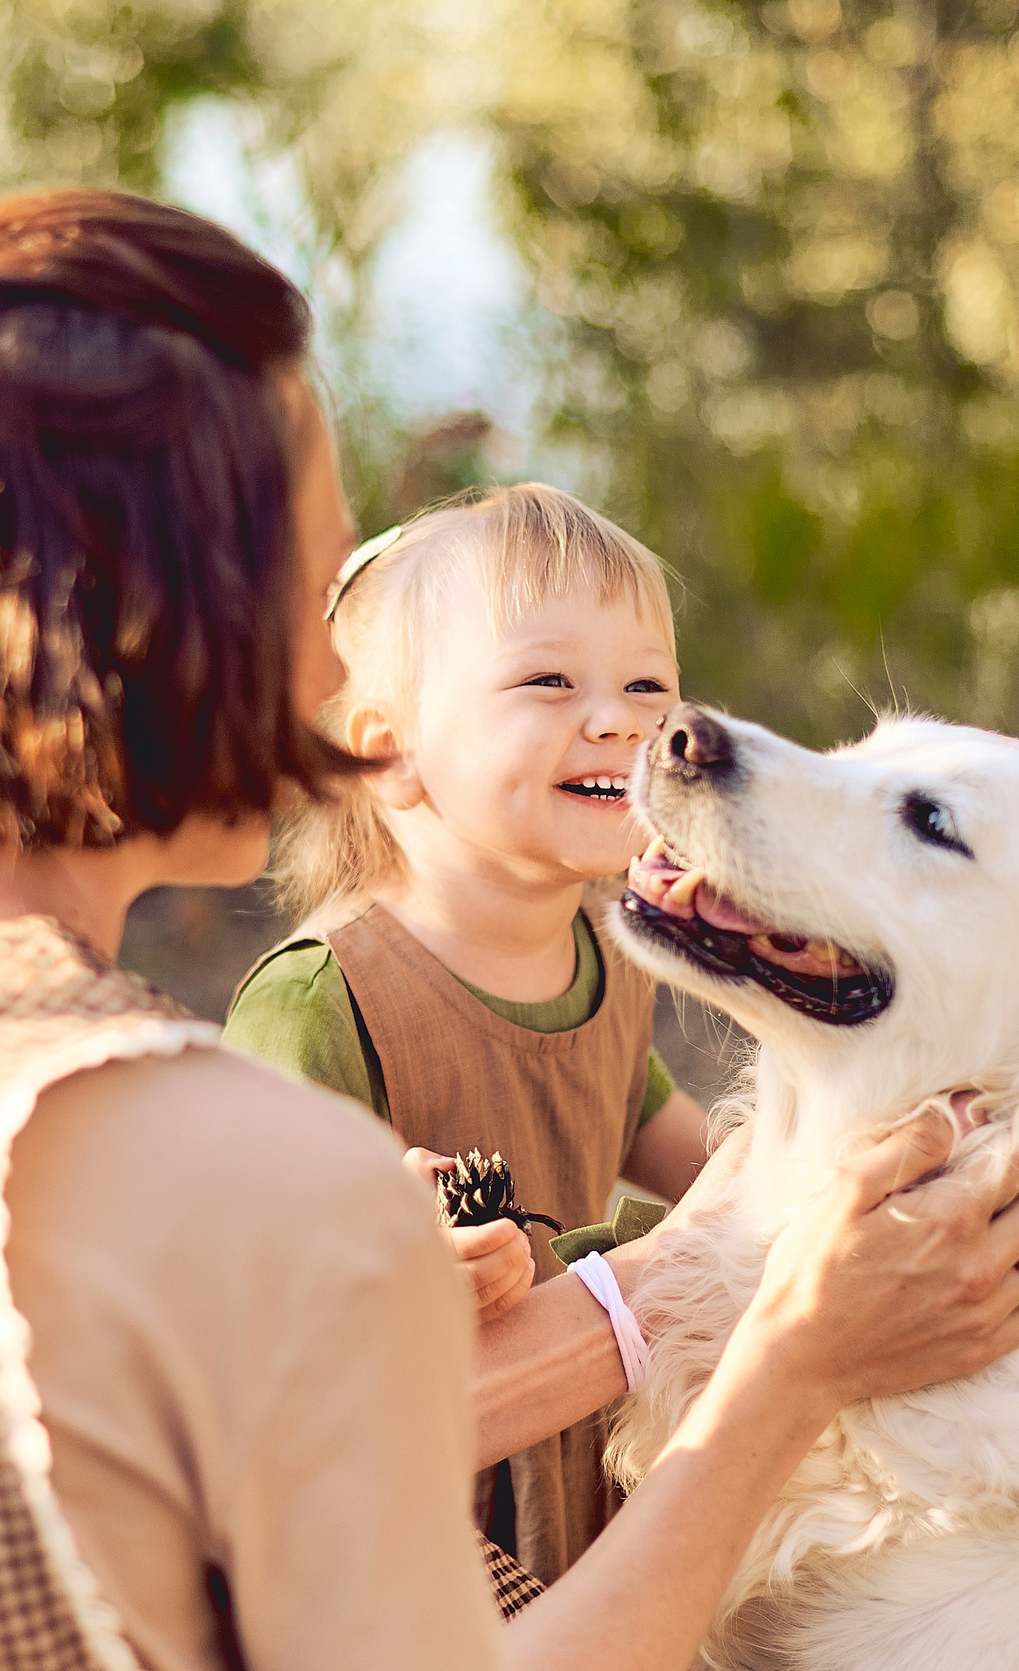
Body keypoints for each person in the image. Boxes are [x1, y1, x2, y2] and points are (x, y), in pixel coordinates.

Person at [0, 188, 1019, 1671]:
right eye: (322, 569)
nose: (344, 669)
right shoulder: (220, 1159)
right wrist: (788, 1368)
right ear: (173, 611)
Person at [222, 483, 700, 1581]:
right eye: (548, 679)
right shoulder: (324, 999)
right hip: (419, 1513)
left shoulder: (613, 947)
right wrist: (405, 1263)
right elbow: (251, 1285)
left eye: (647, 683)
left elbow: (663, 1131)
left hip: (592, 1438)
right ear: (389, 754)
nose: (619, 717)